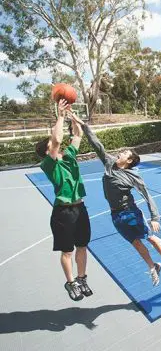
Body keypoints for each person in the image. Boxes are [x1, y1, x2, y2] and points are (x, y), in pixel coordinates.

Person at [68, 112, 161, 286]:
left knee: (149, 237)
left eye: (125, 153)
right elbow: (97, 144)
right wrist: (83, 124)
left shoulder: (133, 175)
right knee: (135, 242)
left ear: (130, 160)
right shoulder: (109, 163)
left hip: (131, 212)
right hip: (115, 215)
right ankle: (152, 266)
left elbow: (146, 195)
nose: (120, 152)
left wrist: (155, 217)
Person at [35, 99, 92, 301]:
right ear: (48, 151)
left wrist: (72, 116)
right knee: (67, 250)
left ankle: (82, 278)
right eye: (52, 144)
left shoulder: (68, 157)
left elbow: (77, 134)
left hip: (80, 209)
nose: (56, 144)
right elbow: (57, 140)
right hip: (63, 213)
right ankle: (70, 282)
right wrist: (59, 116)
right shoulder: (48, 164)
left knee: (82, 246)